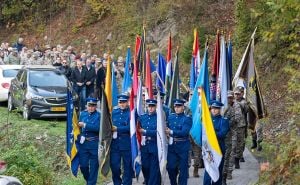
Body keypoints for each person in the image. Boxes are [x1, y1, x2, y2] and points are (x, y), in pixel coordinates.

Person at [166, 99, 192, 185]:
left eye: (179, 106)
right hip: (172, 146)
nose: (177, 108)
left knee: (183, 170)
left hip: (183, 146)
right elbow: (166, 128)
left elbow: (184, 132)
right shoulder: (170, 117)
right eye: (175, 107)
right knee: (170, 167)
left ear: (183, 107)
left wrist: (171, 132)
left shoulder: (187, 119)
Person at [203, 100, 229, 185]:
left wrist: (210, 133)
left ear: (220, 110)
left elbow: (222, 133)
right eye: (212, 108)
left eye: (216, 109)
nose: (214, 110)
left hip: (218, 148)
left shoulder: (223, 120)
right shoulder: (207, 121)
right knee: (208, 170)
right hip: (208, 149)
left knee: (217, 170)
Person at [110, 94, 132, 185]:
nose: (122, 104)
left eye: (124, 102)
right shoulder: (114, 112)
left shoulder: (131, 112)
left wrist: (118, 129)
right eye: (120, 102)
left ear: (127, 102)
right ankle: (117, 182)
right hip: (115, 144)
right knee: (114, 165)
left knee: (127, 166)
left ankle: (127, 183)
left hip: (126, 143)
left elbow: (131, 128)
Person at [78, 97, 101, 185]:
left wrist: (85, 125)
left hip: (94, 143)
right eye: (89, 105)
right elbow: (78, 128)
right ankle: (89, 181)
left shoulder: (99, 115)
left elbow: (98, 128)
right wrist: (81, 135)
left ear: (96, 106)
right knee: (83, 166)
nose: (91, 108)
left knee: (94, 167)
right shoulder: (82, 114)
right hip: (83, 144)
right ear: (86, 105)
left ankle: (91, 183)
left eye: (93, 106)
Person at [138, 99, 161, 185]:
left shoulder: (159, 118)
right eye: (149, 106)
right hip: (144, 146)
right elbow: (137, 130)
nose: (150, 108)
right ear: (146, 106)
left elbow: (159, 132)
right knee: (145, 167)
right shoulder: (142, 117)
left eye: (152, 106)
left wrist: (146, 132)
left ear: (155, 107)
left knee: (154, 168)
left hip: (154, 145)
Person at [222, 91, 243, 184]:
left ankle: (229, 171)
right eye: (228, 97)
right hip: (222, 134)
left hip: (232, 132)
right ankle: (221, 172)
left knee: (231, 152)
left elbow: (238, 117)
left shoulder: (236, 106)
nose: (229, 99)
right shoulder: (222, 105)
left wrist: (229, 122)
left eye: (231, 97)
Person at [234, 86, 248, 166]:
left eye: (239, 94)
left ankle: (239, 156)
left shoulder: (244, 102)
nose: (237, 96)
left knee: (241, 142)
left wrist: (238, 103)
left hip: (241, 125)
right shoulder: (231, 101)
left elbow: (246, 109)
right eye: (236, 94)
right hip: (233, 125)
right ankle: (235, 158)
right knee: (233, 142)